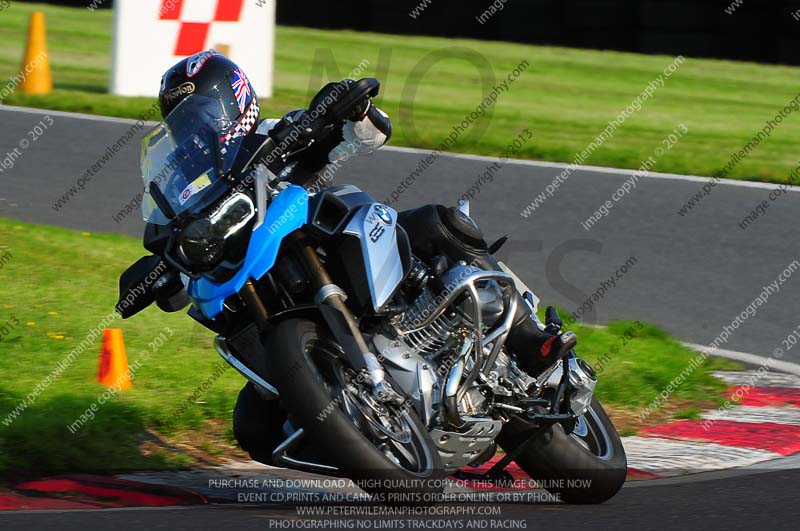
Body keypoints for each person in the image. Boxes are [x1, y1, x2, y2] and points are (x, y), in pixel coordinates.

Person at [157, 50, 576, 379]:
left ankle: (530, 338)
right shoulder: (184, 181)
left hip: (330, 237)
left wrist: (347, 110)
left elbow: (373, 132)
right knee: (253, 425)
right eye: (185, 121)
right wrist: (155, 270)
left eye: (204, 113)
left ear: (235, 100)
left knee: (439, 223)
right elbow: (163, 231)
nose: (197, 127)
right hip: (265, 277)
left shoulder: (277, 130)